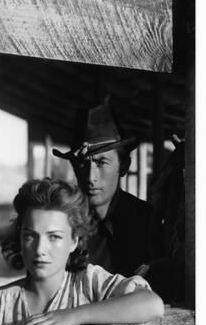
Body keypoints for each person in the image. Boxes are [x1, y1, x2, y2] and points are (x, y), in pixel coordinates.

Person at [0, 178, 163, 325]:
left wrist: (71, 316)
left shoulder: (89, 283)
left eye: (54, 237)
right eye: (30, 235)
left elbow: (151, 305)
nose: (40, 249)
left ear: (74, 241)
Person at [52, 97, 152, 277]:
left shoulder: (148, 220)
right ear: (74, 167)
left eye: (101, 162)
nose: (91, 178)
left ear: (123, 166)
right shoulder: (62, 223)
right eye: (82, 164)